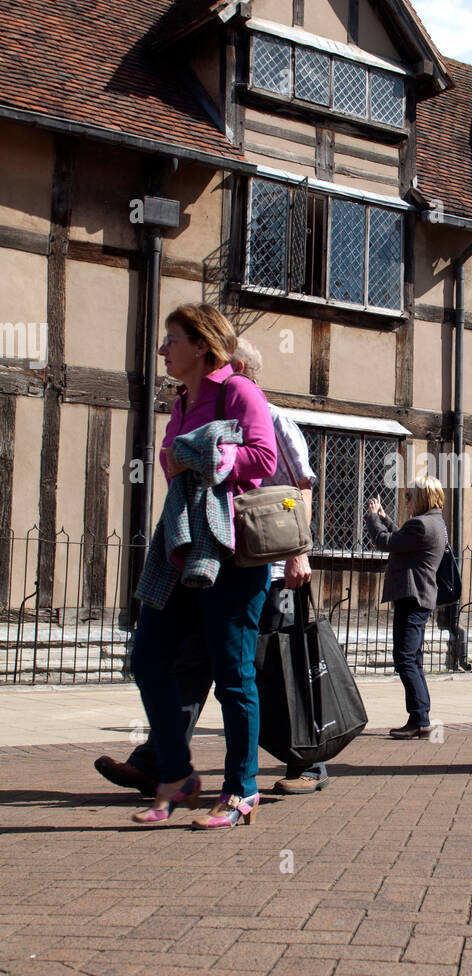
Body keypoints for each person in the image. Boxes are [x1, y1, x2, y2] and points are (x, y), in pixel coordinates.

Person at [95, 337, 326, 795]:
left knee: (275, 668)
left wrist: (299, 553)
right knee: (193, 663)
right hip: (219, 563)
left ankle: (308, 765)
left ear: (236, 366)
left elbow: (302, 486)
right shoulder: (206, 415)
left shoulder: (272, 417)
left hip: (269, 568)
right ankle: (159, 762)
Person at [129, 304, 277, 829]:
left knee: (234, 675)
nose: (162, 349)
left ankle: (242, 790)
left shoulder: (238, 391)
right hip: (183, 548)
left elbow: (264, 457)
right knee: (146, 658)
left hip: (232, 553)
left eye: (171, 339)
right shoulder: (181, 402)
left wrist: (211, 457)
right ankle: (179, 774)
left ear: (201, 345)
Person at [365, 476, 447, 738]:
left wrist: (371, 518)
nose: (407, 501)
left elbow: (386, 542)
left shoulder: (422, 524)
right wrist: (385, 518)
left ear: (421, 498)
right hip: (419, 598)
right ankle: (419, 716)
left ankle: (420, 719)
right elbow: (401, 538)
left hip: (412, 598)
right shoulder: (434, 522)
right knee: (414, 659)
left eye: (409, 496)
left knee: (405, 658)